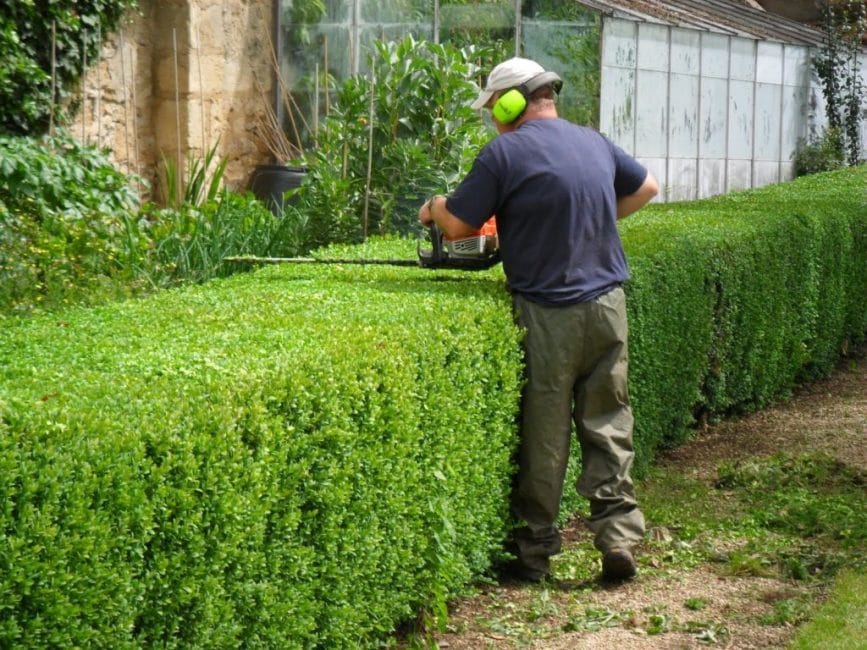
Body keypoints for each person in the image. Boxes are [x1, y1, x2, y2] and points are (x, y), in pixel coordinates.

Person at [418, 57, 659, 583]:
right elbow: (646, 189)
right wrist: (585, 216)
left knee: (546, 437)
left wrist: (434, 206)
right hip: (608, 306)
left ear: (509, 103)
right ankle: (618, 538)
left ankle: (533, 556)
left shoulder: (505, 152)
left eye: (494, 108)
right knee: (609, 422)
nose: (492, 120)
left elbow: (458, 225)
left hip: (550, 313)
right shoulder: (593, 141)